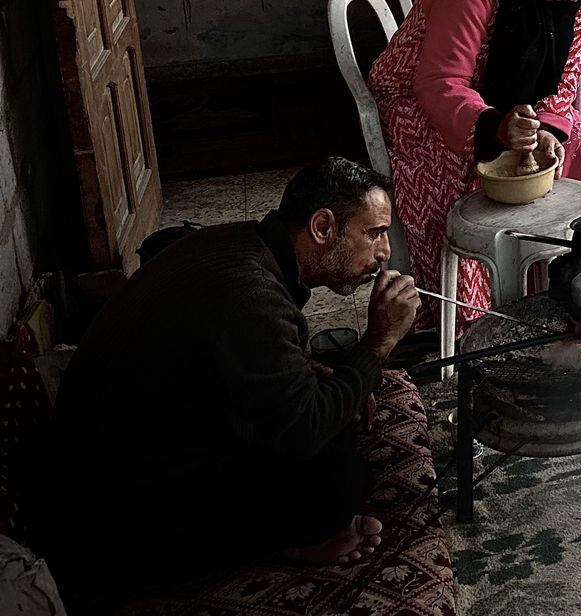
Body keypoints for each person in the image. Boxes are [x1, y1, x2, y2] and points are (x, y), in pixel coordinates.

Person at [44, 159, 420, 610]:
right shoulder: (251, 290)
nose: (384, 253)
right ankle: (303, 541)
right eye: (374, 233)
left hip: (128, 461)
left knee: (341, 407)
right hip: (113, 521)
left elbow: (238, 360)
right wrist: (379, 342)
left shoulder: (242, 244)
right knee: (337, 472)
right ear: (323, 227)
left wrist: (325, 376)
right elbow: (303, 431)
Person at [368, 0, 581, 327]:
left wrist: (546, 130)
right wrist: (496, 127)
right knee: (461, 165)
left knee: (574, 141)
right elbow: (439, 81)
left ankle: (555, 279)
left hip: (513, 103)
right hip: (422, 99)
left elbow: (565, 85)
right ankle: (472, 313)